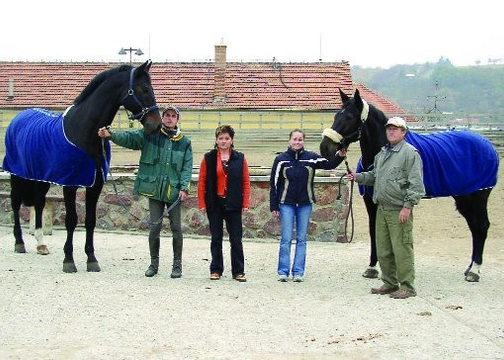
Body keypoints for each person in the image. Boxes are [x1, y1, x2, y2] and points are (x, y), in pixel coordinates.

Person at [98, 105, 193, 278]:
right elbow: (129, 138)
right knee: (154, 228)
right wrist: (111, 134)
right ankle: (153, 264)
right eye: (167, 115)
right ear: (162, 118)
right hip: (154, 190)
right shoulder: (150, 134)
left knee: (176, 229)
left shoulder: (185, 142)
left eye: (173, 116)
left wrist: (184, 187)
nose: (170, 118)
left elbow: (187, 167)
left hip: (174, 192)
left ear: (177, 120)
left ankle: (177, 266)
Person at [347, 117, 425, 299]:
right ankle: (390, 283)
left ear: (403, 132)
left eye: (395, 129)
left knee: (402, 248)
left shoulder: (410, 153)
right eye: (389, 128)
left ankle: (407, 286)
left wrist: (407, 207)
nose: (391, 131)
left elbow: (416, 185)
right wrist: (357, 176)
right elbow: (375, 176)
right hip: (382, 208)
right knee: (384, 249)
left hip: (398, 209)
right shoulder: (382, 153)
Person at [269, 129, 346, 282]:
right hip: (286, 204)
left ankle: (298, 271)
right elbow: (274, 183)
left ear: (304, 141)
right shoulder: (281, 160)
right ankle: (283, 271)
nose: (297, 142)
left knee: (302, 239)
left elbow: (328, 164)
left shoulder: (311, 158)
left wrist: (340, 156)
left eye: (300, 140)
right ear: (289, 141)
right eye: (295, 139)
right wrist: (274, 206)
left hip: (305, 204)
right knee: (286, 238)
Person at [198, 125, 250, 282]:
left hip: (234, 203)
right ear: (216, 140)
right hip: (215, 203)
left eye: (226, 138)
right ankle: (216, 270)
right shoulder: (208, 158)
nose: (223, 141)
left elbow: (246, 182)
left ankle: (238, 271)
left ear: (232, 140)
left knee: (236, 239)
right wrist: (201, 203)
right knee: (216, 238)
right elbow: (202, 182)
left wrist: (245, 202)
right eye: (220, 138)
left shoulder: (240, 158)